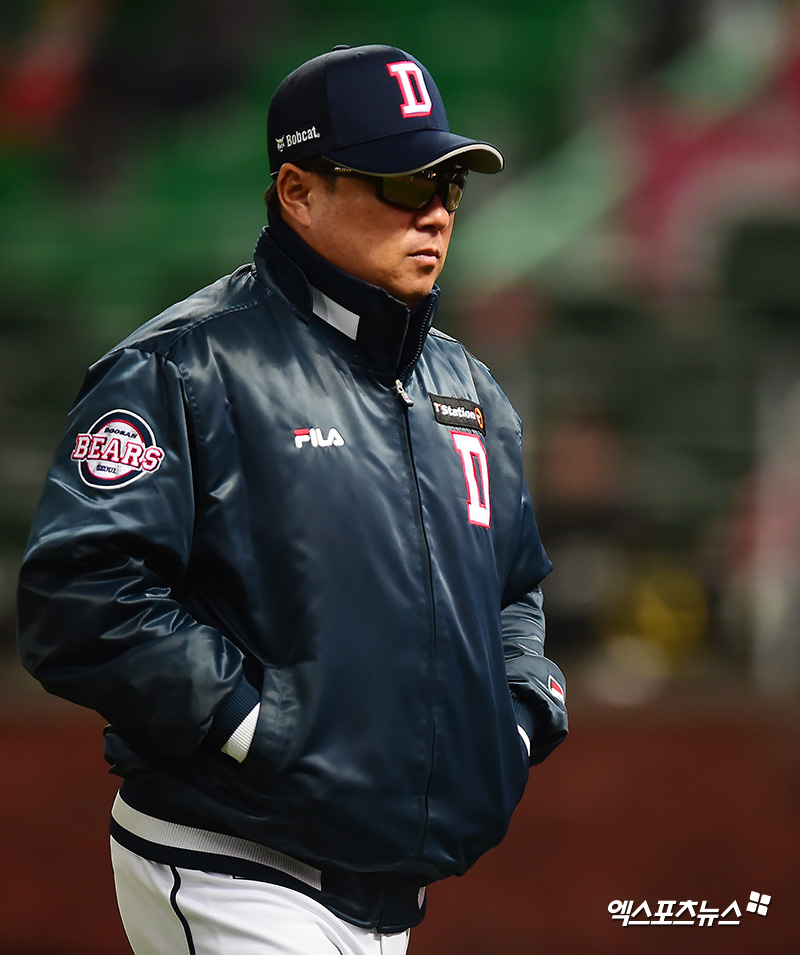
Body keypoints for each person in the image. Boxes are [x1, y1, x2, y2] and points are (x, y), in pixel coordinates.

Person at [16, 44, 568, 955]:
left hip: (388, 885)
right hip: (233, 861)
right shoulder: (184, 366)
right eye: (403, 181)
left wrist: (517, 714)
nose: (436, 210)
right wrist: (254, 728)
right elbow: (83, 593)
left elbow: (513, 588)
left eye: (450, 183)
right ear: (298, 191)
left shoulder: (466, 389)